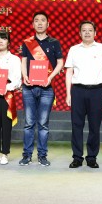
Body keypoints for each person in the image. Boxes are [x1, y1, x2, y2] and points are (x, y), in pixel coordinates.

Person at [19, 11, 64, 167]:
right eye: (36, 20)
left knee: (43, 124)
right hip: (29, 87)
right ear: (33, 24)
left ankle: (42, 156)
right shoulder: (27, 43)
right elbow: (23, 61)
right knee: (29, 123)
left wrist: (50, 78)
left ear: (48, 24)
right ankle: (27, 155)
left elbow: (60, 63)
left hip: (47, 88)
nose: (39, 23)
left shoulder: (54, 42)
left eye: (43, 20)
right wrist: (24, 76)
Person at [64, 21, 102, 169]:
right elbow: (69, 72)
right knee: (76, 125)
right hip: (78, 91)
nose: (87, 33)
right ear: (80, 33)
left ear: (95, 33)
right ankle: (77, 157)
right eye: (84, 30)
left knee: (94, 126)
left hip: (97, 91)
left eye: (90, 30)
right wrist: (68, 94)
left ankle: (92, 157)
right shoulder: (74, 49)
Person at [0, 31, 22, 165]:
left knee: (6, 125)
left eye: (3, 39)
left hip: (7, 95)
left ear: (9, 42)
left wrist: (6, 87)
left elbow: (17, 80)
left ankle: (5, 153)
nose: (0, 41)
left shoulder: (15, 59)